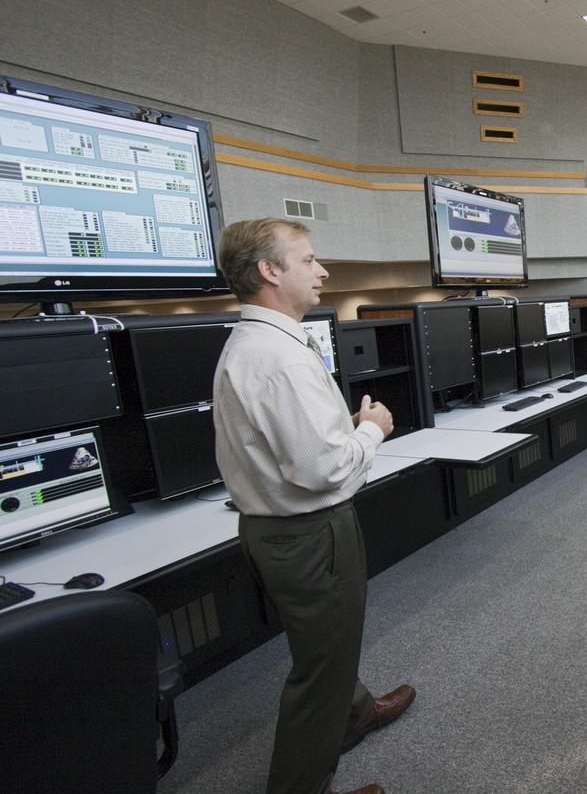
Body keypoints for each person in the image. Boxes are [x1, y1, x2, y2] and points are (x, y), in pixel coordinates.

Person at [212, 218, 414, 794]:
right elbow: (320, 470)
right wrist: (371, 430)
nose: (322, 270)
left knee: (327, 644)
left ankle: (352, 714)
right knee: (320, 670)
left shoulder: (262, 343)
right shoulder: (279, 357)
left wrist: (337, 431)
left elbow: (293, 446)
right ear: (269, 271)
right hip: (309, 533)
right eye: (308, 260)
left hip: (283, 529)